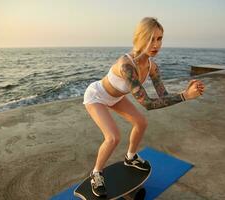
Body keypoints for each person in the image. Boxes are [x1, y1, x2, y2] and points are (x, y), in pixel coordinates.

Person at [83, 17, 205, 197]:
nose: (156, 44)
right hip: (97, 96)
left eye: (159, 38)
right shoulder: (126, 65)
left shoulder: (152, 67)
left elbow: (163, 96)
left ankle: (130, 157)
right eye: (151, 39)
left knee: (141, 123)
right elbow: (147, 103)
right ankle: (96, 173)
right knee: (113, 137)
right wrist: (185, 97)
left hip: (116, 97)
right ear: (140, 38)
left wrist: (185, 91)